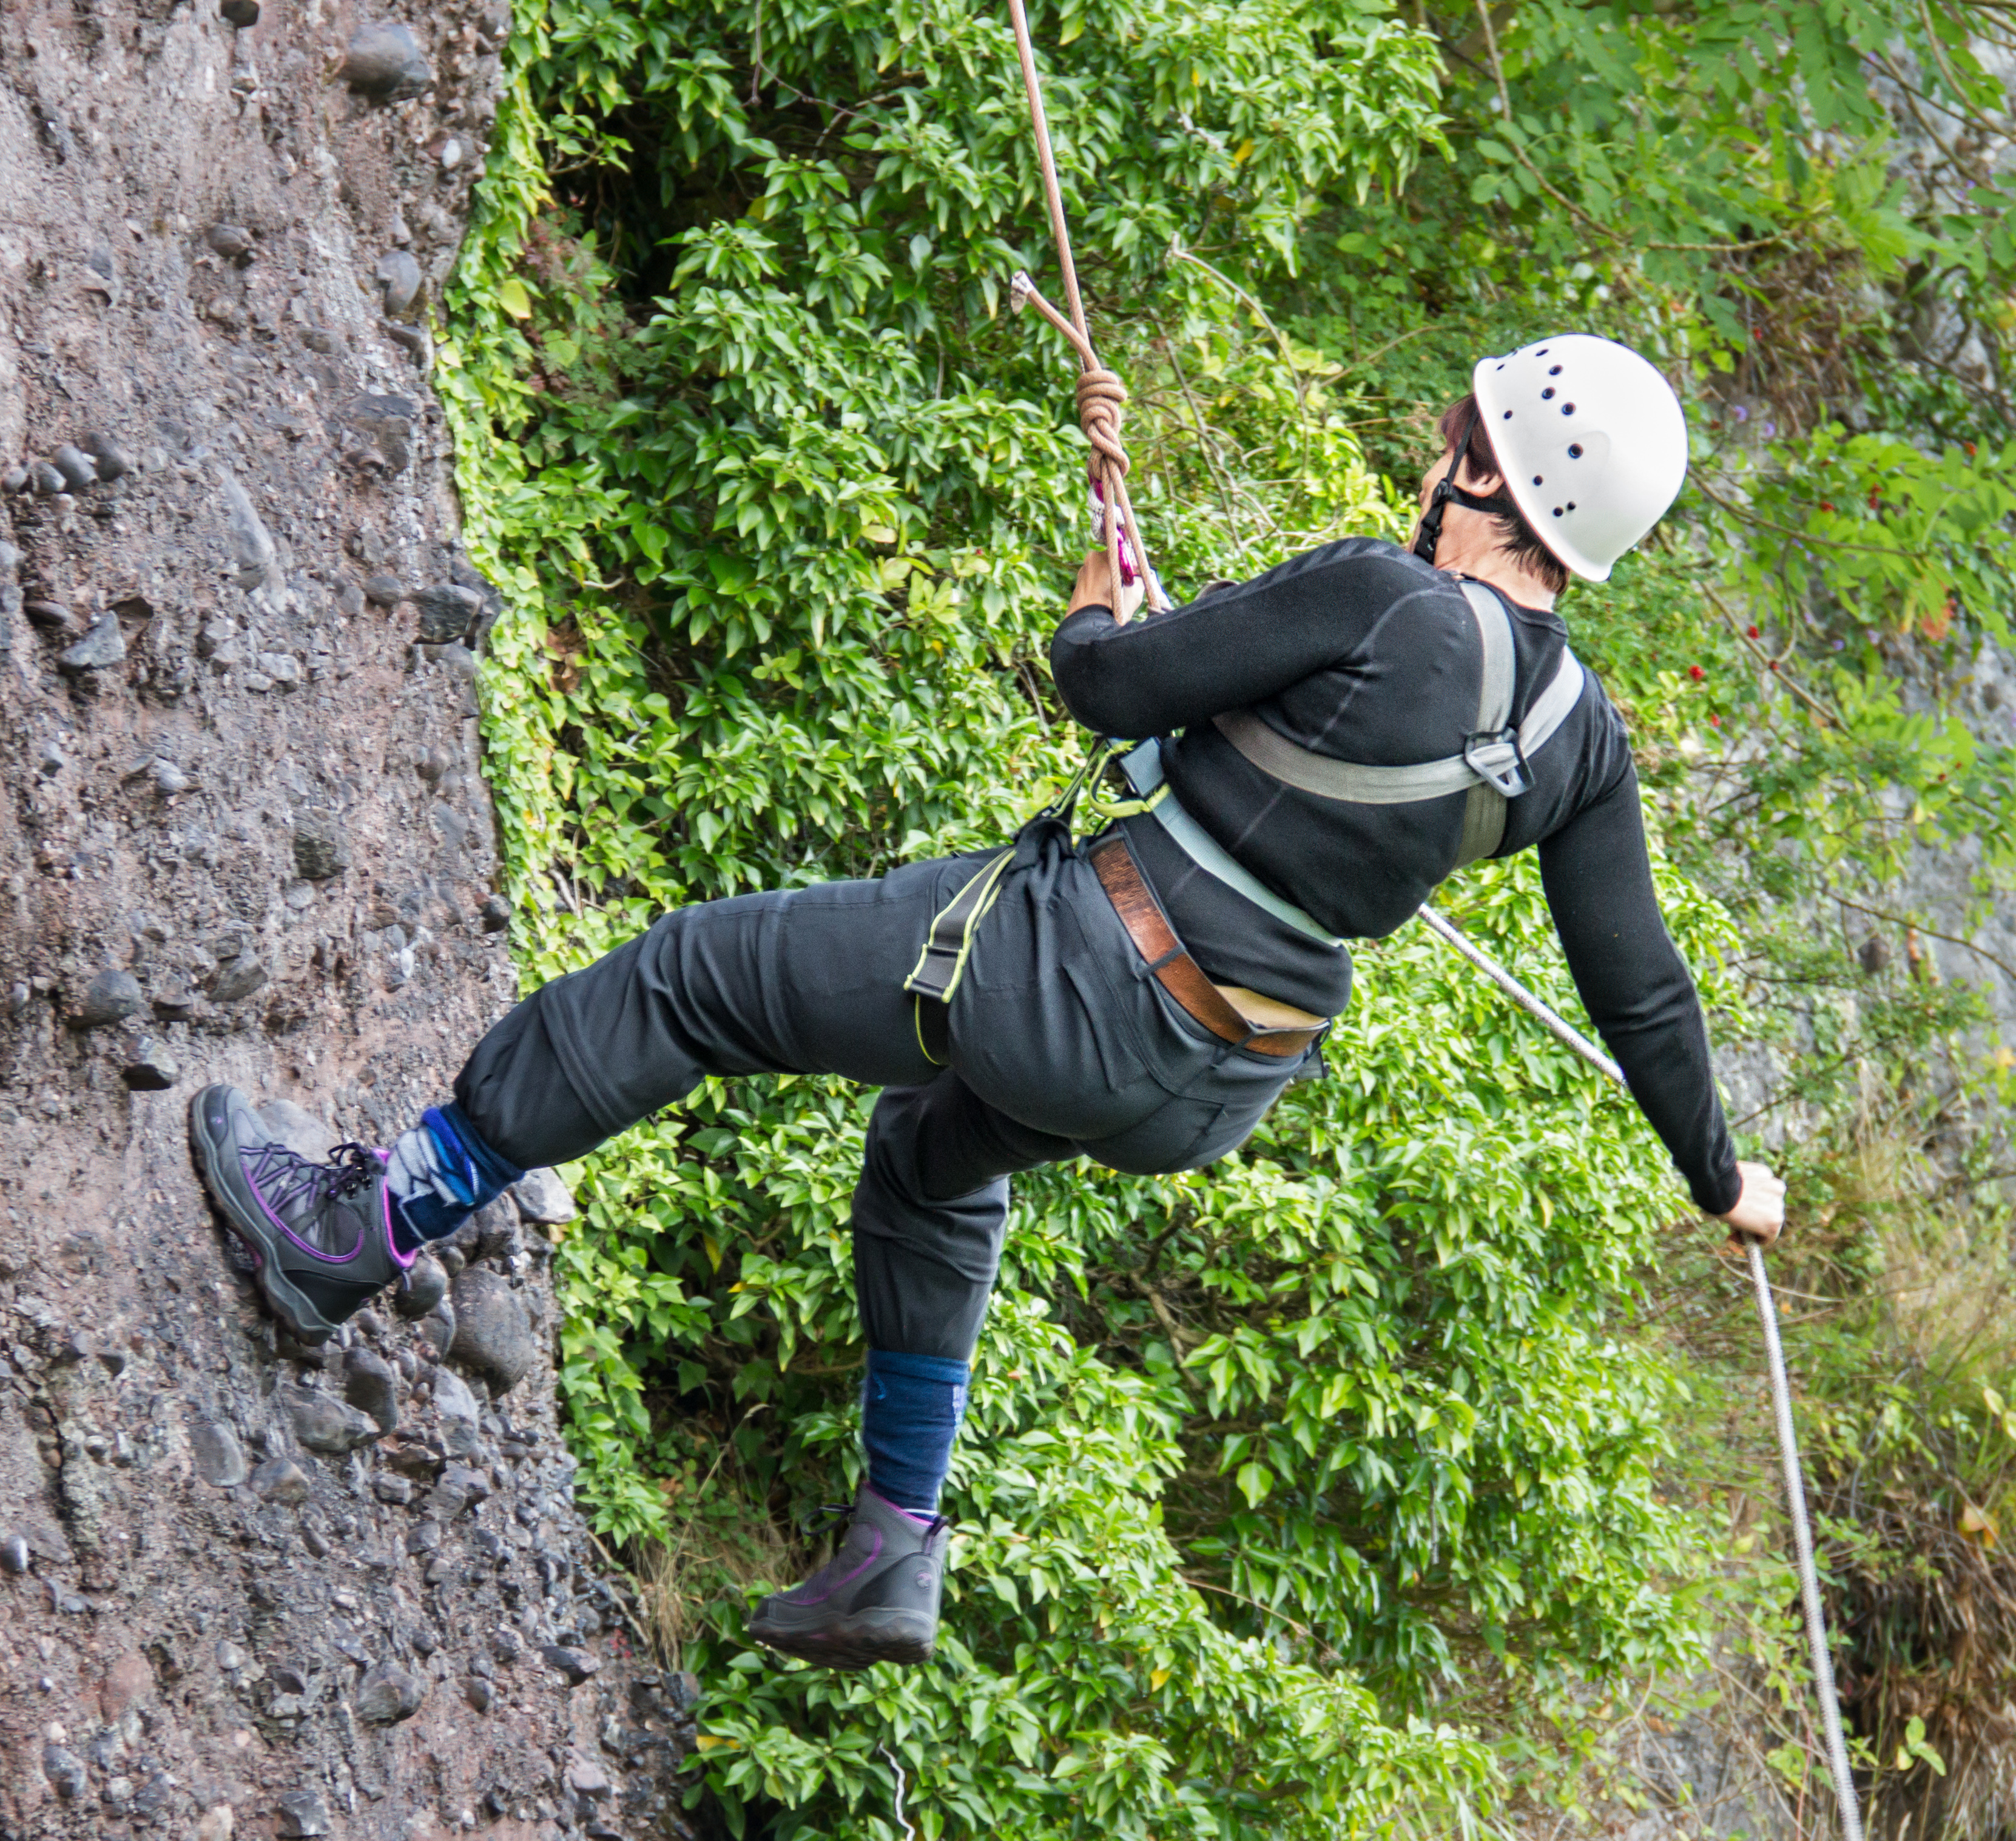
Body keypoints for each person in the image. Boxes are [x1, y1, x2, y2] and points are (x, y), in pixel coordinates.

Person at [187, 333, 1787, 1672]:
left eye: (1457, 437)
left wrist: (1098, 601)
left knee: (693, 979)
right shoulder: (1580, 739)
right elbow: (1638, 984)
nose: (1433, 455)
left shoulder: (1387, 594)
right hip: (1215, 1080)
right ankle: (895, 1540)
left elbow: (1100, 685)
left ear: (1494, 474)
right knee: (932, 1161)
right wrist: (1723, 1175)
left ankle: (359, 1226)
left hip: (1090, 969)